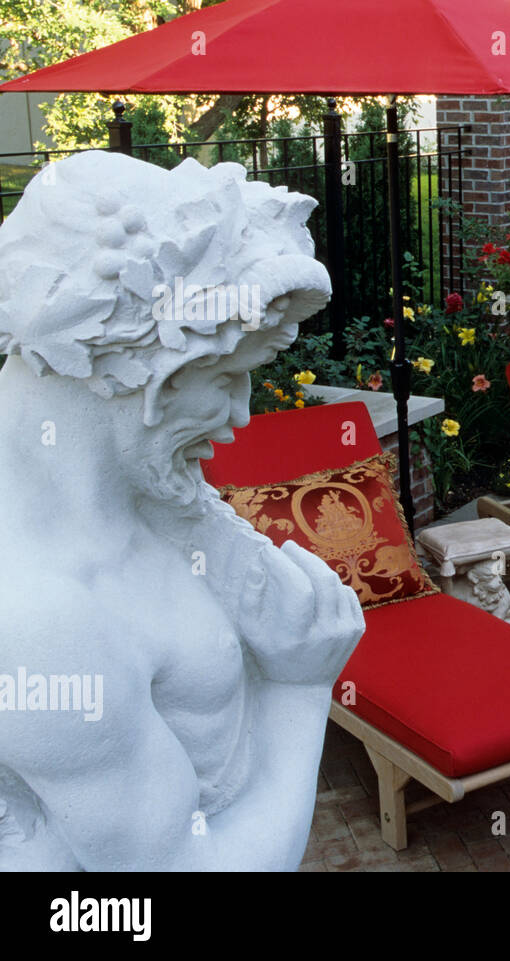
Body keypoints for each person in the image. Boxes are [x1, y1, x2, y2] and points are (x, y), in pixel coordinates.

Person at [0, 151, 364, 870]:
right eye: (227, 376)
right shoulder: (43, 621)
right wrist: (302, 686)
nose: (239, 415)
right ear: (130, 366)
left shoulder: (145, 501)